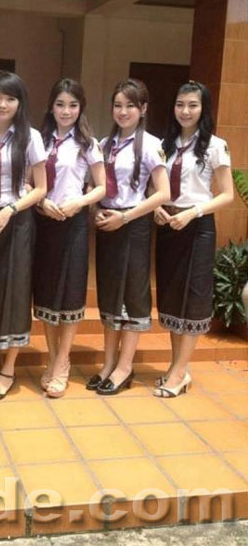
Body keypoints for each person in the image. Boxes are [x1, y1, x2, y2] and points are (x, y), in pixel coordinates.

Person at [153, 80, 233, 397]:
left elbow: (227, 195)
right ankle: (176, 367)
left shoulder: (216, 145)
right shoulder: (165, 144)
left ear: (203, 109)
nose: (185, 111)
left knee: (193, 297)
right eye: (180, 104)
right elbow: (154, 186)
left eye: (193, 105)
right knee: (173, 297)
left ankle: (181, 370)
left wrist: (193, 213)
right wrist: (157, 206)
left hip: (197, 226)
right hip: (168, 224)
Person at [90, 78, 170, 395]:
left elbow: (163, 193)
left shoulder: (151, 144)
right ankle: (109, 363)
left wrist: (126, 216)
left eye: (130, 106)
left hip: (133, 224)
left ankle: (125, 367)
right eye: (118, 105)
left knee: (132, 295)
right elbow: (95, 187)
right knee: (110, 294)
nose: (123, 112)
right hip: (108, 222)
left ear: (143, 109)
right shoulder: (104, 144)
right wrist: (96, 209)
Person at [0, 71, 47, 401]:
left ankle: (8, 370)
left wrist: (10, 210)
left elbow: (42, 187)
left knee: (14, 294)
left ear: (20, 103)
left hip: (15, 222)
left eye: (10, 98)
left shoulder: (31, 138)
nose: (2, 104)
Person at [33, 78, 106, 398]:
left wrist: (80, 201)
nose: (66, 111)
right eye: (60, 104)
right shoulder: (39, 139)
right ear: (51, 106)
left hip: (73, 223)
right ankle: (51, 359)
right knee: (47, 295)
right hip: (45, 223)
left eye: (73, 105)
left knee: (71, 295)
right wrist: (41, 201)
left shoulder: (88, 143)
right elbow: (26, 182)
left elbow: (102, 187)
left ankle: (63, 363)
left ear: (81, 108)